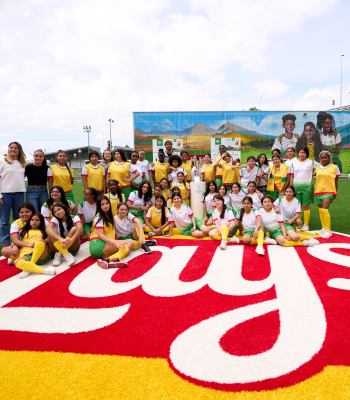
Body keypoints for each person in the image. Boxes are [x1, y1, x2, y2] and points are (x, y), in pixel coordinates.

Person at [89, 196, 133, 269]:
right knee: (128, 245)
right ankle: (111, 260)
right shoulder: (99, 217)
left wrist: (115, 239)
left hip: (104, 243)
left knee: (130, 243)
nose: (105, 206)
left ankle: (107, 259)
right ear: (99, 206)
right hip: (98, 245)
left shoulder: (108, 215)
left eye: (107, 203)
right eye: (102, 204)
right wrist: (115, 242)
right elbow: (100, 235)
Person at [0, 142, 26, 247]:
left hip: (19, 194)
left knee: (18, 219)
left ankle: (17, 240)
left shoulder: (22, 163)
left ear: (19, 150)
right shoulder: (2, 161)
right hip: (5, 195)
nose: (13, 149)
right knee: (4, 220)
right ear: (8, 149)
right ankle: (6, 242)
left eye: (16, 148)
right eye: (11, 147)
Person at [14, 213, 55, 278]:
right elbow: (16, 240)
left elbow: (50, 239)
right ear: (29, 221)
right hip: (28, 255)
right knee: (16, 262)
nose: (34, 222)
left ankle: (29, 266)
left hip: (41, 254)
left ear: (41, 222)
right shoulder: (23, 231)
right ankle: (43, 271)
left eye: (37, 220)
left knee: (39, 242)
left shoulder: (44, 231)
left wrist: (42, 241)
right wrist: (14, 246)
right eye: (32, 220)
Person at [46, 202, 83, 267]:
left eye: (59, 209)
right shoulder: (54, 219)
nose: (57, 212)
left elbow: (80, 228)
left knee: (74, 229)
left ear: (64, 208)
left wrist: (72, 239)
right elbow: (48, 229)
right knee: (51, 232)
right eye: (55, 212)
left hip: (72, 246)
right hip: (57, 246)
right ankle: (66, 254)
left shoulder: (74, 217)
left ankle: (62, 253)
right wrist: (61, 239)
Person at [314, 151, 340, 238]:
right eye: (322, 158)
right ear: (319, 159)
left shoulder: (334, 167)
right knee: (321, 210)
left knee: (324, 210)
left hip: (329, 191)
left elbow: (336, 181)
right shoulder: (317, 168)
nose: (324, 159)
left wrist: (335, 191)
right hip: (318, 191)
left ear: (329, 158)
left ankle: (328, 230)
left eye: (326, 157)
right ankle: (323, 228)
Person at [289, 147, 316, 231]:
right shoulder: (293, 162)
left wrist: (314, 174)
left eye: (304, 152)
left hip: (307, 187)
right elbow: (291, 175)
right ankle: (298, 223)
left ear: (307, 154)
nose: (302, 154)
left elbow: (320, 167)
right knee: (297, 206)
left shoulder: (311, 162)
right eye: (300, 152)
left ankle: (306, 224)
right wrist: (291, 187)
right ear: (298, 153)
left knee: (306, 205)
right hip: (296, 187)